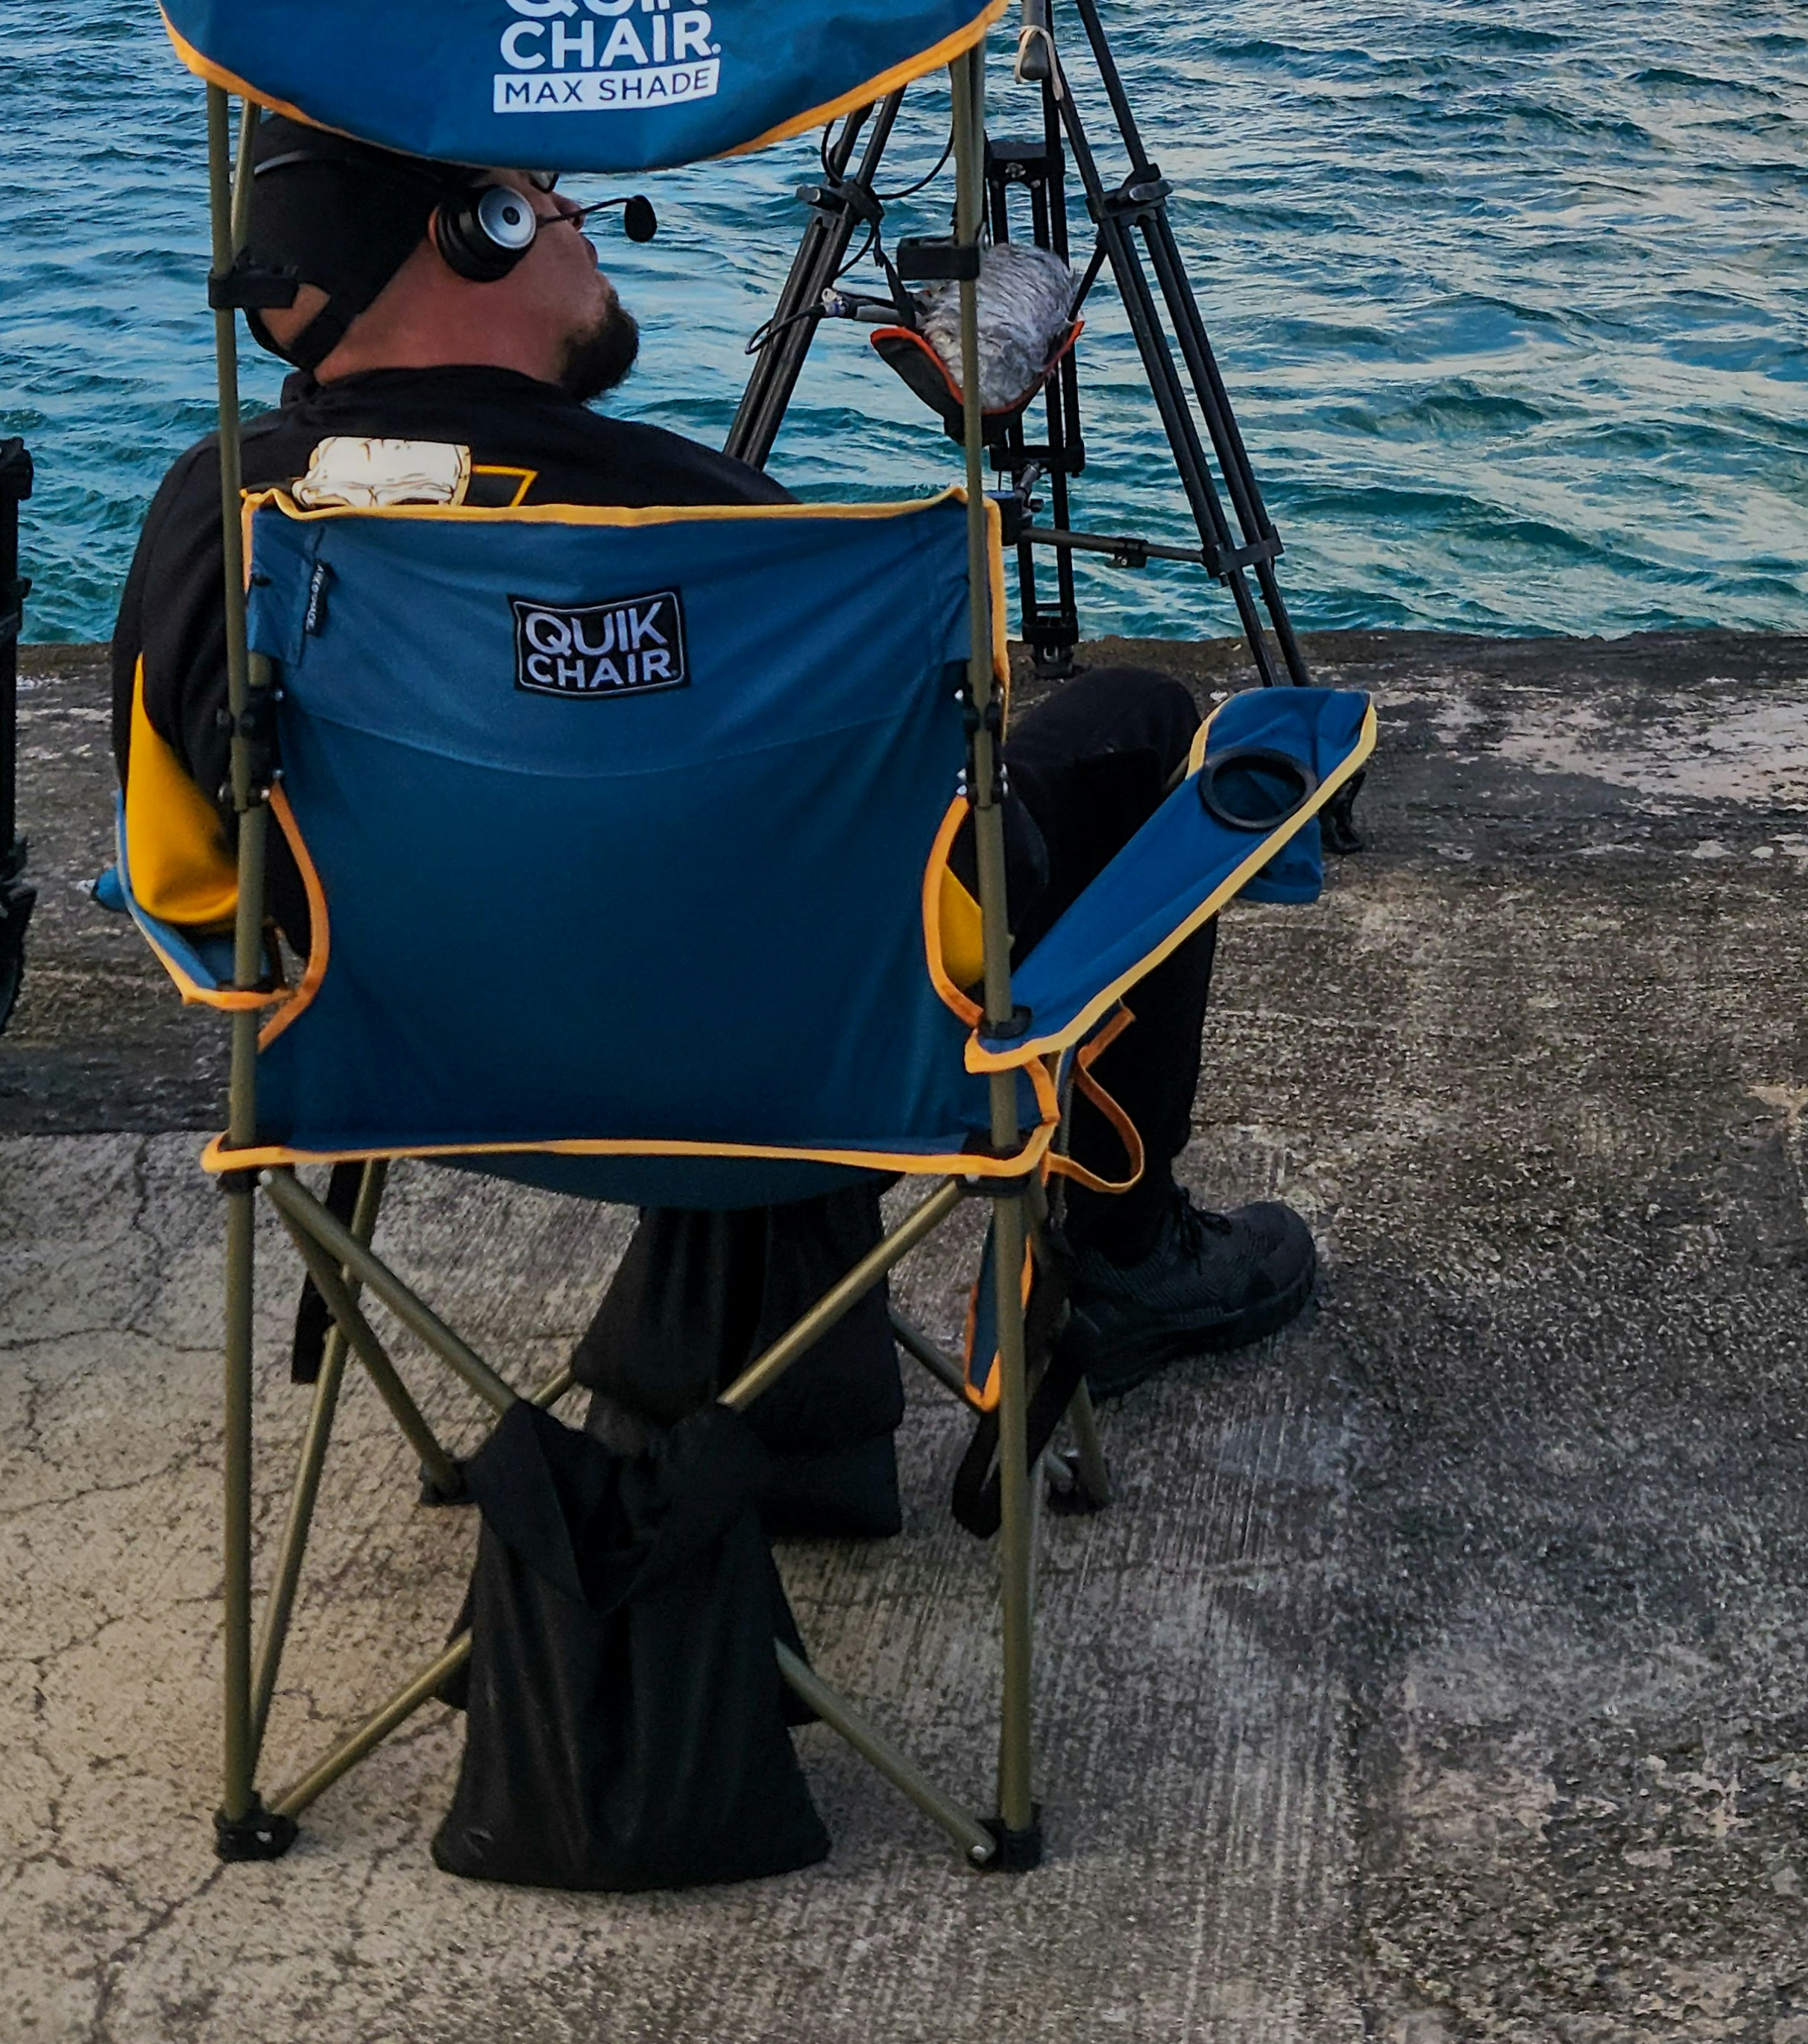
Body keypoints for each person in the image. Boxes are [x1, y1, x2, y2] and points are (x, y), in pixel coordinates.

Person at [114, 108, 1319, 1528]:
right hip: (796, 1055)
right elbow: (929, 817)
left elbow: (180, 868)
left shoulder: (214, 522)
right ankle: (1121, 1262)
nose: (578, 231)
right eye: (546, 201)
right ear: (474, 232)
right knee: (1130, 721)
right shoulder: (715, 532)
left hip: (393, 1059)